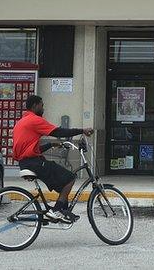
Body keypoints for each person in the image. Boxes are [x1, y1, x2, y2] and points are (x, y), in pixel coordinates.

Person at [12, 94, 93, 223]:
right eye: (42, 105)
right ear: (35, 106)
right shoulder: (34, 120)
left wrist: (50, 144)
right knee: (70, 178)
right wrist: (82, 130)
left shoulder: (22, 121)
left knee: (62, 186)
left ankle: (64, 213)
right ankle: (56, 211)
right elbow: (58, 132)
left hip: (26, 162)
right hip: (34, 163)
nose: (43, 108)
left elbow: (29, 149)